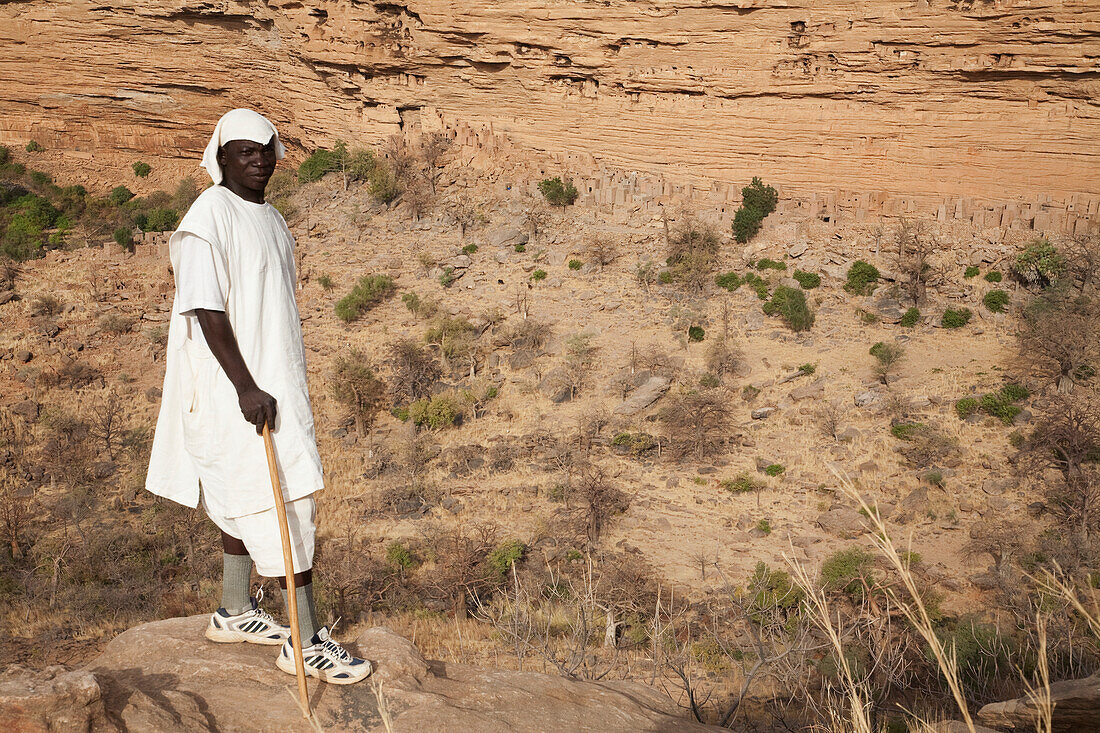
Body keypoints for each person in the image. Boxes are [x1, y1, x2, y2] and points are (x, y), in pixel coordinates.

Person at [146, 108, 370, 684]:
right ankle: (305, 640)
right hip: (234, 387)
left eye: (267, 149)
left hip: (272, 379)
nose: (259, 159)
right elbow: (205, 306)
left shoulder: (270, 217)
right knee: (282, 500)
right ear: (220, 157)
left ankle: (235, 610)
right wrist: (246, 386)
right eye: (245, 150)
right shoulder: (208, 216)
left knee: (246, 495)